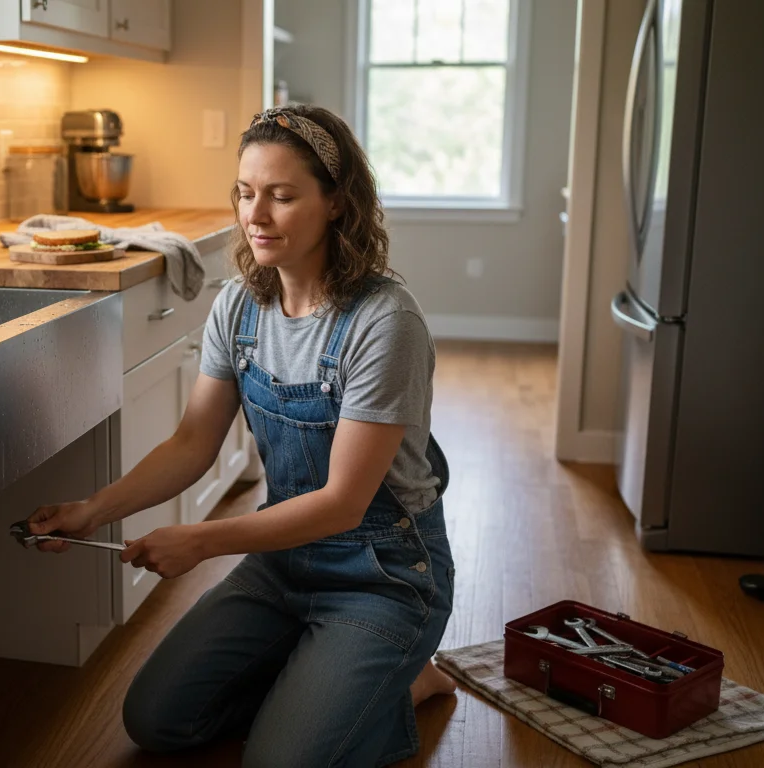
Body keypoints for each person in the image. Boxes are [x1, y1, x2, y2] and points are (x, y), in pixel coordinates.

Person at [25, 103, 455, 767]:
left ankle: (397, 680)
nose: (255, 216)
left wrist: (199, 540)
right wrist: (92, 510)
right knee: (155, 720)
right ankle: (327, 677)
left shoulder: (384, 322)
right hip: (283, 563)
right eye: (246, 193)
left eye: (282, 196)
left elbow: (343, 503)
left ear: (337, 204)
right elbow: (192, 443)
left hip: (382, 575)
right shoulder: (240, 307)